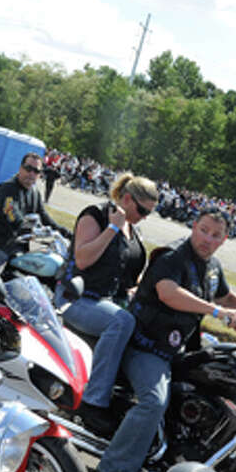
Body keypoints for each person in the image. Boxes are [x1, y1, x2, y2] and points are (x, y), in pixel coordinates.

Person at [93, 207, 236, 472]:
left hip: (178, 347)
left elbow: (224, 296)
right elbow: (169, 293)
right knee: (153, 402)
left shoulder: (211, 265)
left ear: (224, 240)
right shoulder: (171, 257)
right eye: (204, 230)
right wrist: (218, 314)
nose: (208, 239)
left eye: (215, 235)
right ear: (194, 227)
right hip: (146, 345)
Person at [62, 173, 157, 433]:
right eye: (141, 210)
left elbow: (130, 278)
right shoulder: (96, 216)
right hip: (78, 298)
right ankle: (92, 402)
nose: (144, 217)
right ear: (126, 199)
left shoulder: (134, 234)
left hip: (110, 302)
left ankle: (124, 399)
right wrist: (112, 228)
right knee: (121, 321)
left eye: (149, 213)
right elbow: (82, 259)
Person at [0, 152, 70, 270]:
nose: (31, 174)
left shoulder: (34, 193)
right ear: (21, 168)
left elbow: (44, 218)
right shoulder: (7, 189)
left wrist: (66, 233)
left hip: (17, 248)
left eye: (36, 171)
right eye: (28, 169)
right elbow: (12, 215)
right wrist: (28, 228)